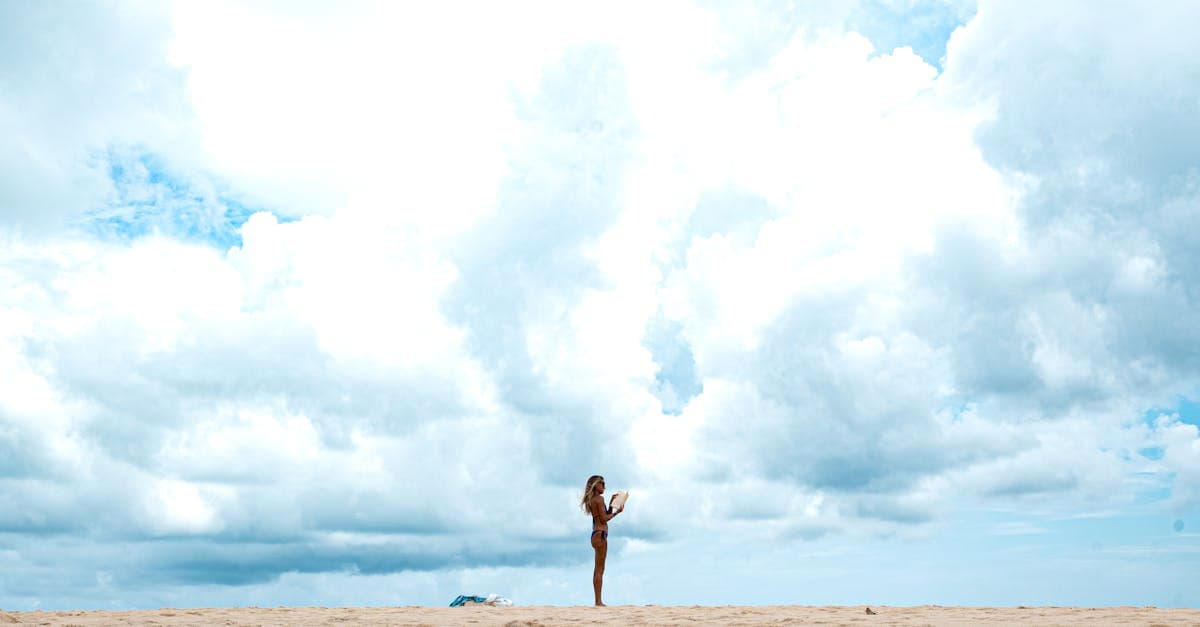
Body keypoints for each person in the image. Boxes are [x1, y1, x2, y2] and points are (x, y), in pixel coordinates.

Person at [581, 474, 622, 606]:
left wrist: (611, 505)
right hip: (601, 534)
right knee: (600, 569)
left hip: (595, 534)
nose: (604, 486)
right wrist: (617, 513)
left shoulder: (593, 500)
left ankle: (598, 600)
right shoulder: (599, 499)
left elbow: (602, 515)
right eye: (602, 484)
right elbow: (604, 519)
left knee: (598, 568)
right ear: (596, 485)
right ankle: (598, 601)